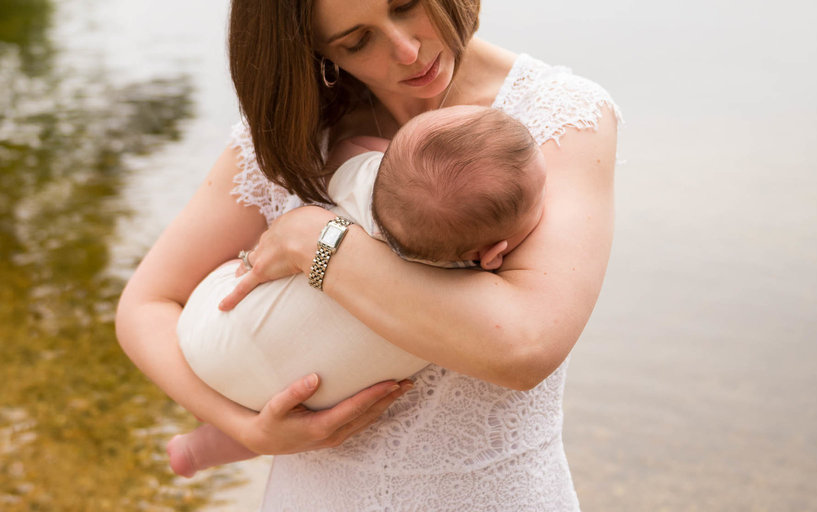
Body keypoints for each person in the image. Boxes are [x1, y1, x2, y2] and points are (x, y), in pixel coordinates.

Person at [114, 0, 619, 512]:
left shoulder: (556, 123)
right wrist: (244, 429)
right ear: (316, 51)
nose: (409, 48)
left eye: (407, 1)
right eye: (357, 41)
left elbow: (524, 344)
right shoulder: (288, 141)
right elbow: (145, 307)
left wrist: (324, 247)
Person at [169, 104, 546, 479]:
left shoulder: (367, 185)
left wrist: (383, 156)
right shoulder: (469, 297)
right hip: (303, 398)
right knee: (321, 401)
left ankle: (199, 442)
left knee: (249, 275)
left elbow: (345, 151)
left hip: (209, 331)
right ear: (495, 252)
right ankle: (200, 449)